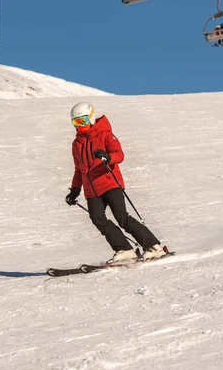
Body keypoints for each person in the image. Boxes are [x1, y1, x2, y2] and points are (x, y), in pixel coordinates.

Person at [64, 102, 166, 264]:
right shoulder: (76, 144)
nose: (80, 126)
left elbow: (119, 154)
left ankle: (153, 246)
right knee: (98, 219)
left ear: (90, 118)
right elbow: (79, 170)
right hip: (92, 191)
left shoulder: (105, 135)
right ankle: (124, 250)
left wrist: (107, 157)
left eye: (82, 121)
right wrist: (75, 190)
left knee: (122, 217)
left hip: (109, 183)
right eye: (76, 122)